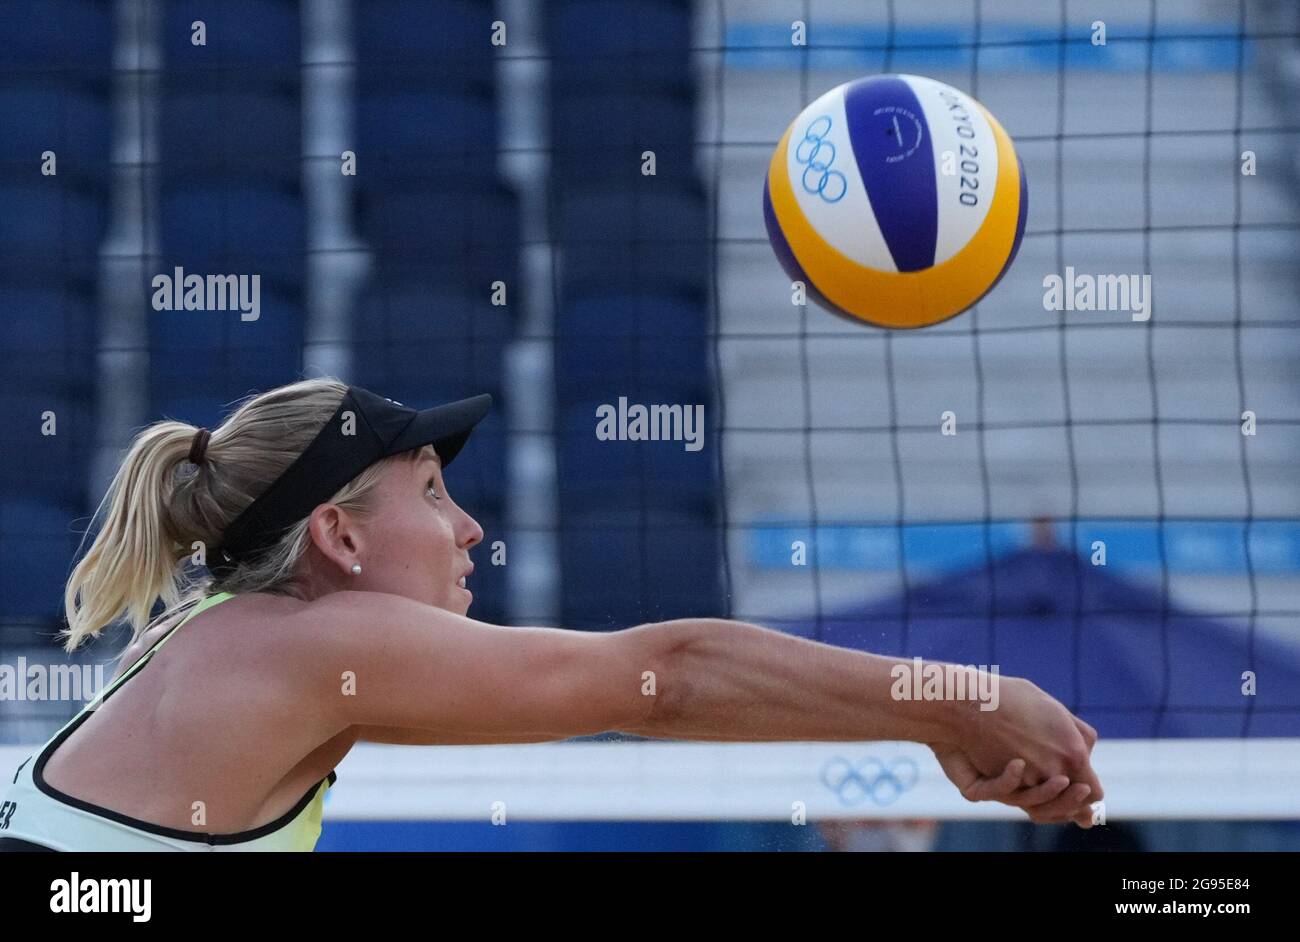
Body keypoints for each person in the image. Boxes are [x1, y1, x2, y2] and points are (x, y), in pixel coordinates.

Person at [0, 378, 1102, 851]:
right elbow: (668, 676)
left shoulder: (206, 639)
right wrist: (967, 699)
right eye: (430, 492)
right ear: (337, 539)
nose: (469, 528)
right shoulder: (314, 641)